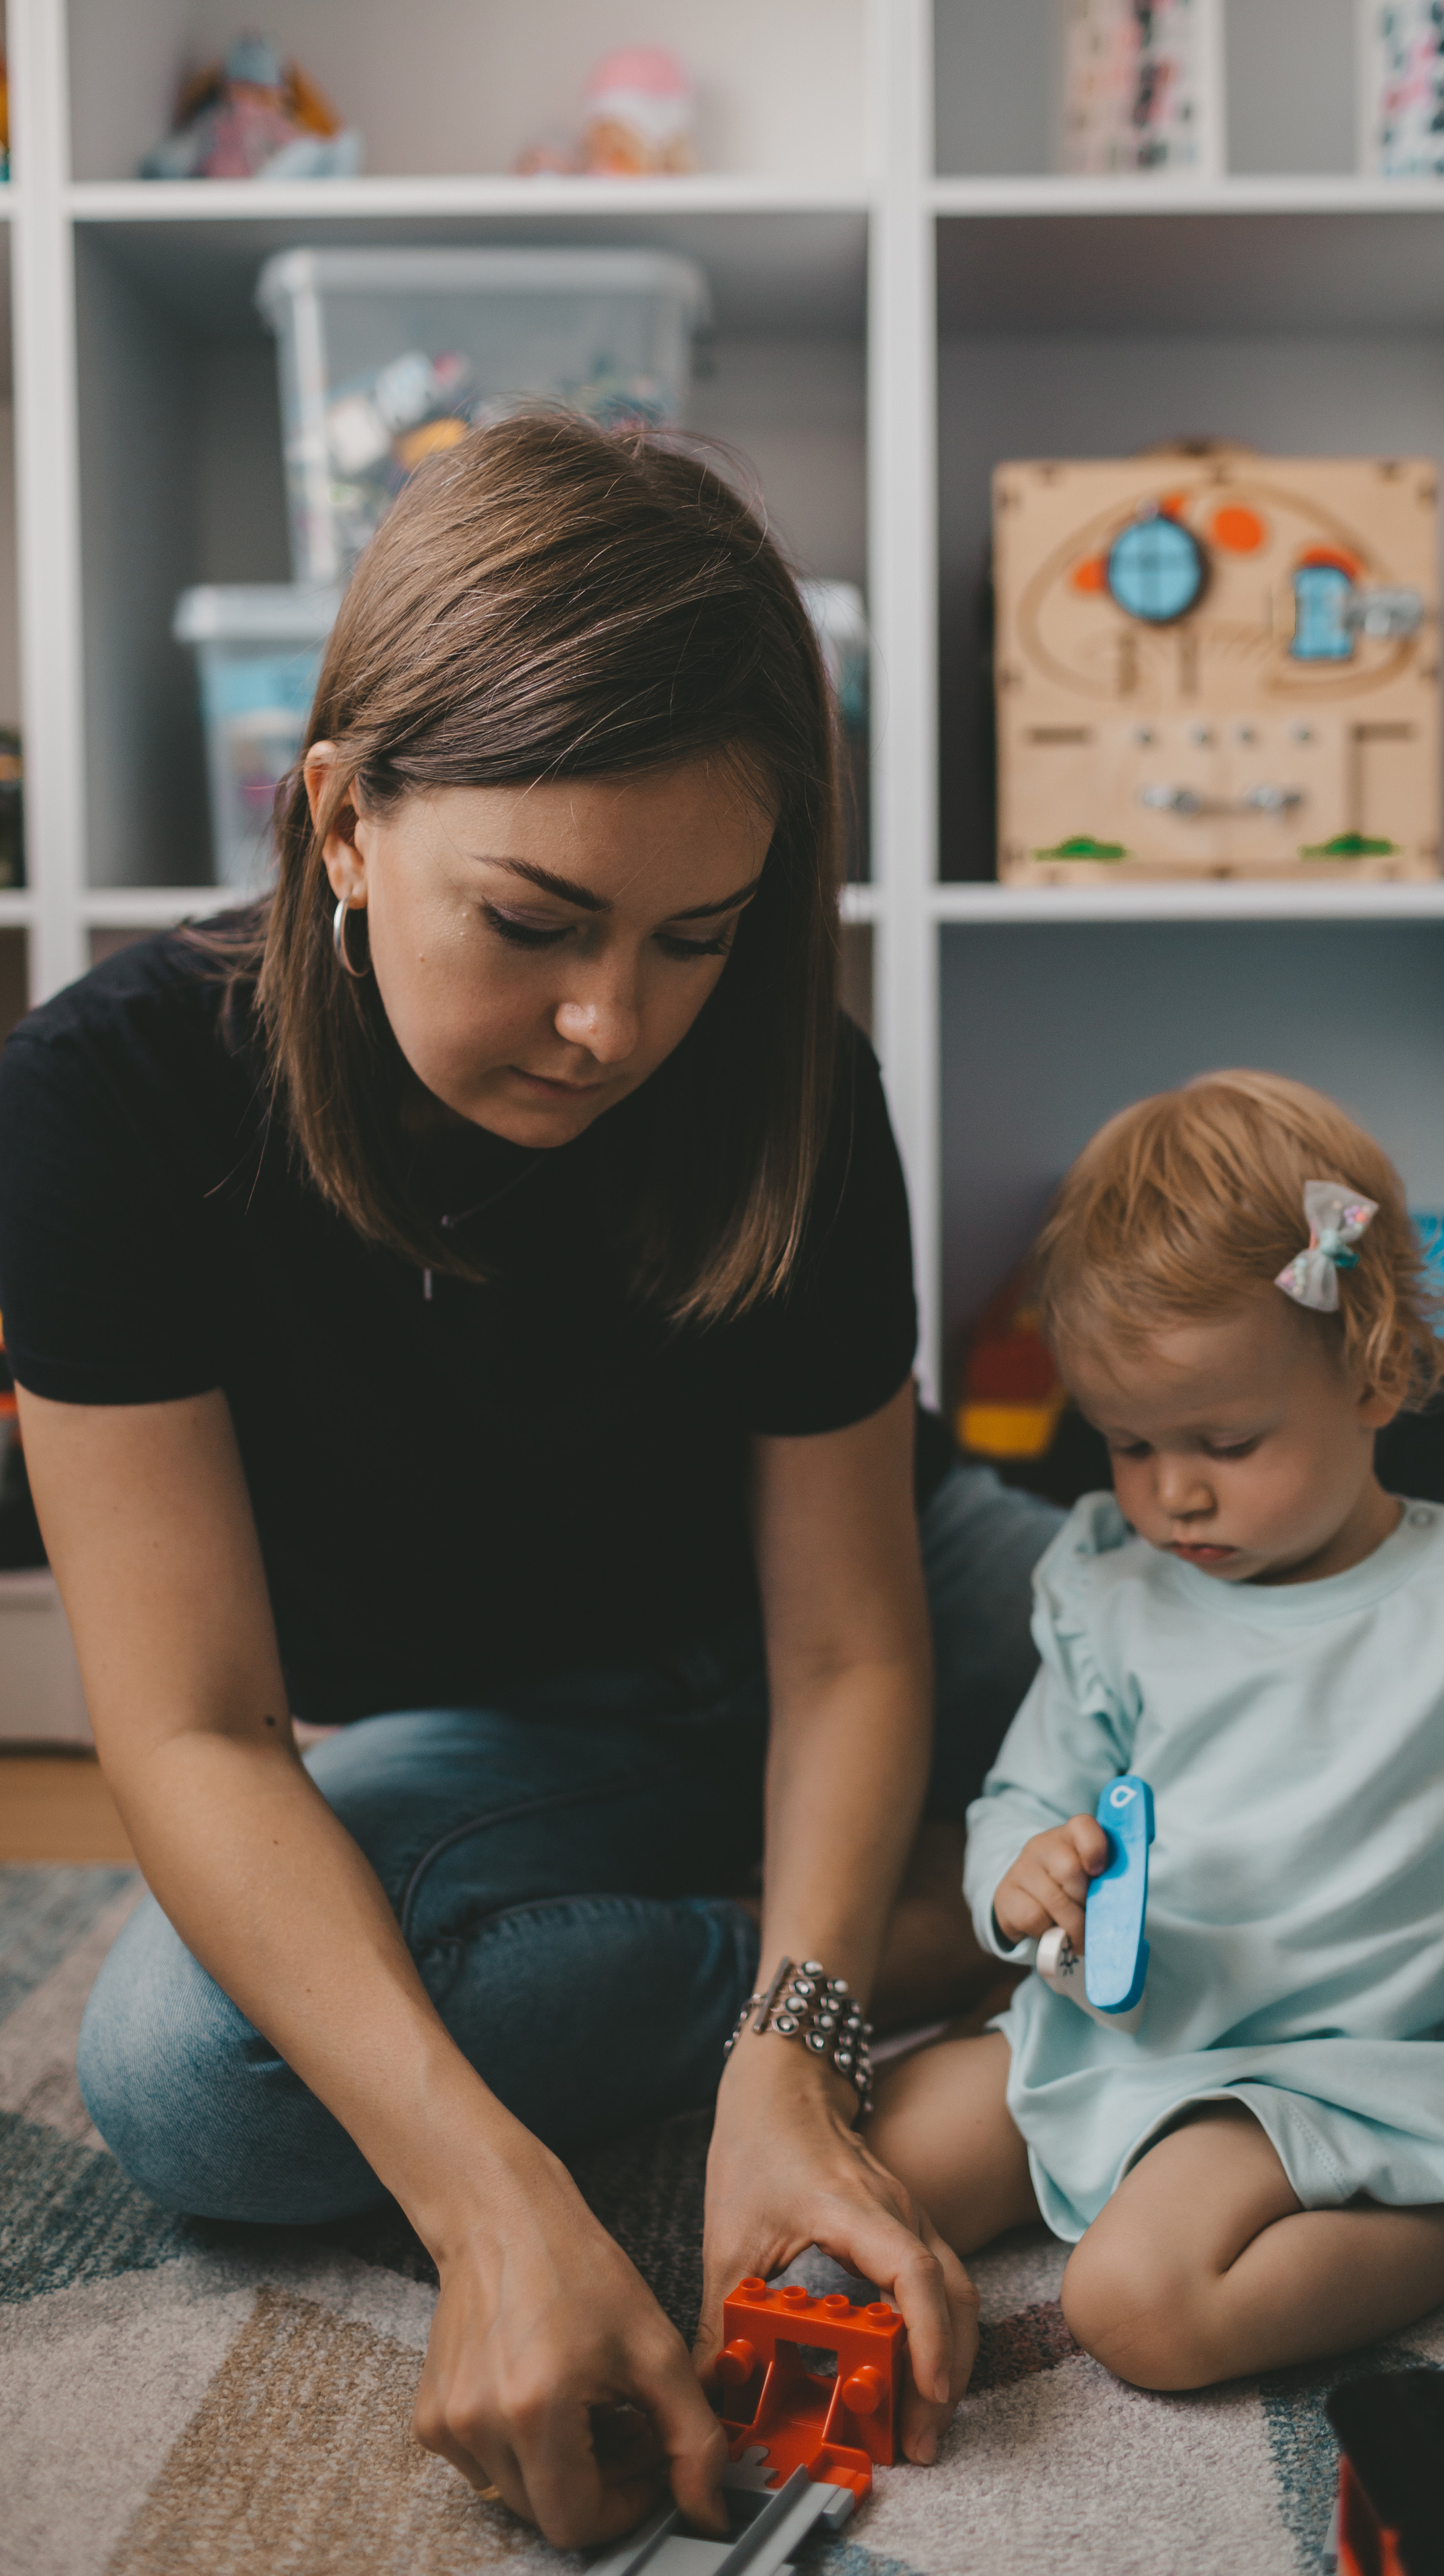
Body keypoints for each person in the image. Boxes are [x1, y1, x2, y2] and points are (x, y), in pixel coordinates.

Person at [0, 417, 1062, 2548]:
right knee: (185, 2074)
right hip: (539, 1727)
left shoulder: (786, 1075)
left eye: (697, 938)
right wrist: (490, 2199)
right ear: (341, 821)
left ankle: (879, 1932)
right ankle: (967, 1912)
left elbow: (852, 1638)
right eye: (537, 920)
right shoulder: (99, 1109)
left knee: (1333, 1727)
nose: (610, 1025)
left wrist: (789, 2060)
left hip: (861, 1611)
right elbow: (196, 1730)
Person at [868, 1071, 1444, 2389]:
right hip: (1134, 2025)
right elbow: (1021, 1796)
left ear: (1370, 1374)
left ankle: (1442, 2204)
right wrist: (1018, 1876)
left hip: (1359, 2059)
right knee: (880, 2150)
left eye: (1221, 1439)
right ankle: (1129, 2156)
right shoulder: (1116, 1598)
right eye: (1127, 1446)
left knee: (1135, 2308)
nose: (1171, 1490)